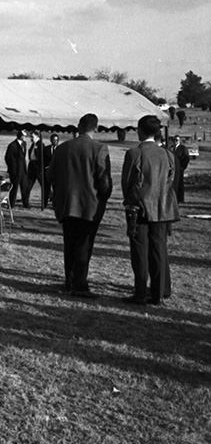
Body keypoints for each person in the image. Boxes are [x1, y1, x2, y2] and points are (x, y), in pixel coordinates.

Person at [48, 113, 112, 297]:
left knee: (69, 243)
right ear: (96, 128)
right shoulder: (99, 149)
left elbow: (50, 175)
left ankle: (69, 280)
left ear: (78, 127)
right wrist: (103, 198)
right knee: (84, 244)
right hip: (89, 205)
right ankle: (79, 284)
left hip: (67, 204)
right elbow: (104, 181)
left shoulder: (62, 149)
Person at [122, 115, 179, 305]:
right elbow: (171, 182)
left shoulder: (134, 153)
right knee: (159, 251)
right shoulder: (168, 155)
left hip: (140, 209)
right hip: (163, 209)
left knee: (140, 253)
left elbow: (127, 183)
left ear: (140, 130)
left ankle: (140, 292)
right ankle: (158, 294)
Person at [4, 130, 29, 208]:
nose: (25, 137)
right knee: (14, 189)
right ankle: (11, 204)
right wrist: (13, 169)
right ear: (20, 136)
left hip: (23, 171)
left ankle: (26, 204)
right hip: (15, 171)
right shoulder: (12, 145)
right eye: (24, 136)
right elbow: (8, 158)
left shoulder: (24, 144)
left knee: (24, 188)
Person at [26, 130, 46, 208]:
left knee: (43, 186)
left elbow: (41, 157)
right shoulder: (32, 145)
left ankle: (44, 203)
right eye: (31, 136)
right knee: (28, 185)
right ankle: (26, 203)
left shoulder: (41, 145)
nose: (31, 138)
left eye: (32, 136)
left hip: (38, 168)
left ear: (37, 136)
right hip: (32, 166)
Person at [171, 135, 190, 204]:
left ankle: (181, 198)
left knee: (180, 183)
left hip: (180, 168)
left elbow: (186, 158)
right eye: (174, 140)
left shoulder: (183, 148)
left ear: (179, 141)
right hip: (173, 168)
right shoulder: (172, 148)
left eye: (177, 140)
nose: (175, 141)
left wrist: (182, 167)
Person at [44, 133, 60, 203]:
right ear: (51, 140)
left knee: (56, 188)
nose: (55, 142)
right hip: (47, 171)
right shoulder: (46, 149)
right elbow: (44, 159)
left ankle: (55, 203)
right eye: (54, 140)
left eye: (56, 140)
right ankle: (44, 203)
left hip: (56, 172)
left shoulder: (60, 149)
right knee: (46, 188)